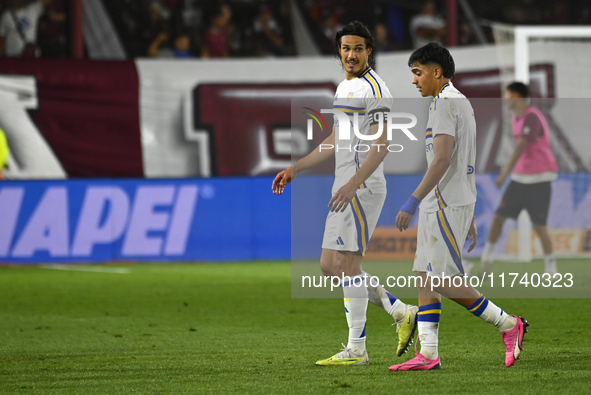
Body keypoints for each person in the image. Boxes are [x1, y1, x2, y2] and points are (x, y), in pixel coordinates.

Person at [272, 21, 418, 366]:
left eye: (357, 48)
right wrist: (296, 168)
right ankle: (400, 311)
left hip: (361, 187)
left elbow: (382, 144)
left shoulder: (376, 89)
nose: (350, 55)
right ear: (339, 51)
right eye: (345, 48)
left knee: (350, 265)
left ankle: (357, 349)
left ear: (369, 51)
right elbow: (336, 140)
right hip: (345, 187)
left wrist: (354, 182)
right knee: (328, 265)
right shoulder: (345, 87)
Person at [389, 43, 528, 371]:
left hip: (444, 202)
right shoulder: (452, 101)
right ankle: (429, 353)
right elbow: (463, 160)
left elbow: (443, 159)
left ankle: (508, 324)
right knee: (425, 274)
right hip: (447, 202)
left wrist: (413, 199)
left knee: (442, 279)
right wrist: (468, 213)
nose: (414, 80)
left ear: (437, 72)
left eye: (418, 72)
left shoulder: (448, 103)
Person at [481, 82, 559, 276]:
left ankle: (551, 269)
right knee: (498, 218)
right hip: (520, 179)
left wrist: (504, 173)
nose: (505, 99)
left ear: (516, 95)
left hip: (539, 179)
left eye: (507, 94)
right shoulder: (517, 118)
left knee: (540, 226)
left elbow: (520, 147)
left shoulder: (532, 117)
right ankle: (486, 261)